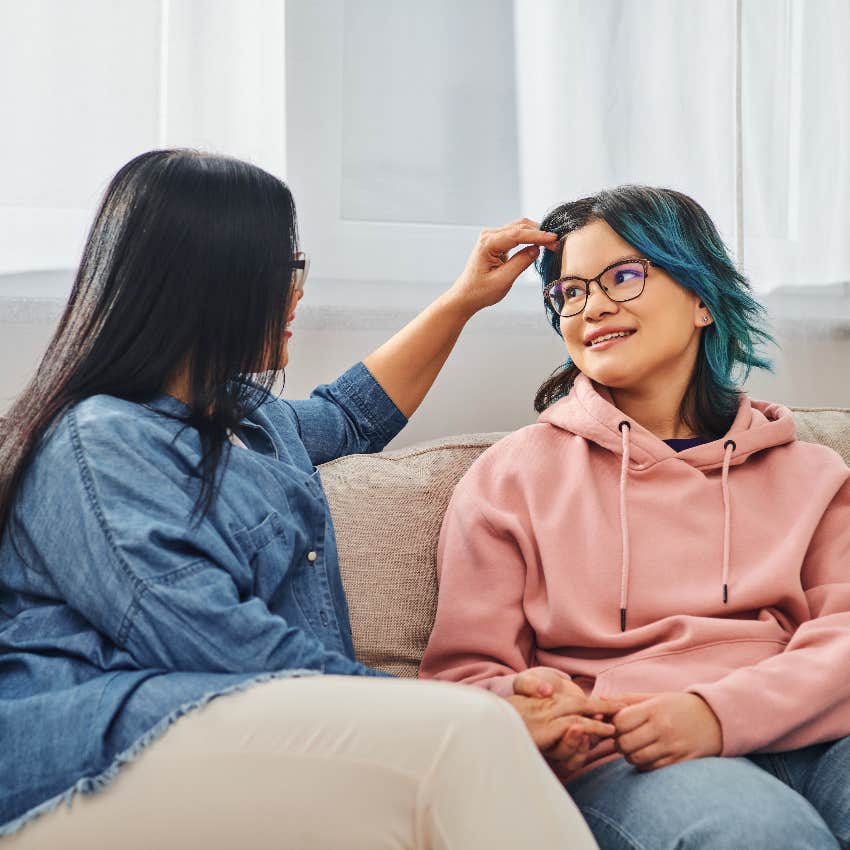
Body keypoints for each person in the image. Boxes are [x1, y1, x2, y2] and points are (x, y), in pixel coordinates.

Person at [0, 149, 613, 849]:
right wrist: (464, 707)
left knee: (463, 747)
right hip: (95, 750)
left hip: (223, 726)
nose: (298, 295)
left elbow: (354, 414)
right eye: (287, 270)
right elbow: (212, 642)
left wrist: (464, 299)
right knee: (467, 735)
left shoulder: (247, 422)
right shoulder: (99, 440)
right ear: (216, 280)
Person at [420, 185, 850, 849]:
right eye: (570, 291)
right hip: (629, 754)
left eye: (623, 276)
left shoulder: (813, 473)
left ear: (703, 299)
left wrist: (716, 712)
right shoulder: (512, 478)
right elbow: (464, 680)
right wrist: (537, 718)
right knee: (760, 835)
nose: (592, 306)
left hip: (815, 731)